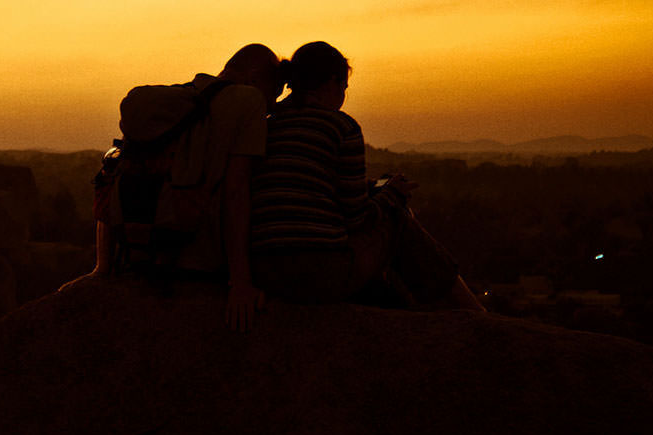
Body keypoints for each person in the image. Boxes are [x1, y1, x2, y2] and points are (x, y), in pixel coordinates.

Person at [251, 41, 483, 310]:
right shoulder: (341, 127)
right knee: (398, 219)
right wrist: (392, 195)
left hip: (265, 270)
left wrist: (369, 190)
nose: (343, 97)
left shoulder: (266, 126)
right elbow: (358, 218)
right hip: (320, 272)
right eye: (344, 88)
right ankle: (473, 313)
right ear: (332, 83)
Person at [94, 43, 284, 332]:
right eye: (275, 93)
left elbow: (113, 174)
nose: (272, 106)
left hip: (142, 253)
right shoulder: (248, 101)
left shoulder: (173, 102)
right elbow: (237, 190)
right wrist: (241, 283)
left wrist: (102, 268)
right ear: (256, 78)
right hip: (200, 263)